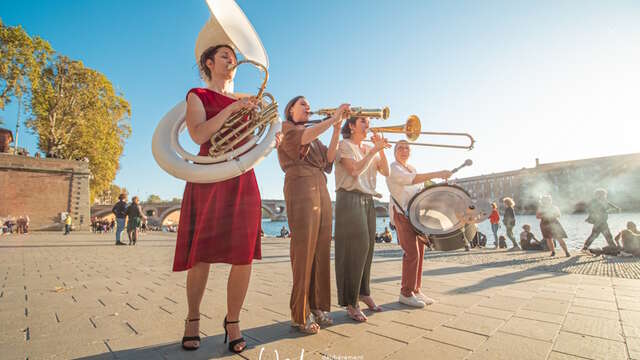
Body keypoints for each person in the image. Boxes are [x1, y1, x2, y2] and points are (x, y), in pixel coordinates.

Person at [171, 44, 282, 353]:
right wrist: (233, 109)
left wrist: (271, 134)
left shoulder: (249, 98)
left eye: (233, 56)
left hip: (242, 177)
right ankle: (192, 318)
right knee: (201, 253)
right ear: (209, 63)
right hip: (209, 176)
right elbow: (198, 135)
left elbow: (253, 137)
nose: (232, 59)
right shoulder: (198, 95)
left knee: (243, 255)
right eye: (224, 55)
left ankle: (232, 321)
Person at [277, 96, 347, 334]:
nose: (308, 107)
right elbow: (302, 139)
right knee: (304, 249)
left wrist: (336, 129)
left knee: (321, 248)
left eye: (308, 104)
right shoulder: (288, 128)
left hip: (320, 184)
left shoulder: (313, 134)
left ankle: (318, 306)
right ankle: (300, 313)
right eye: (303, 104)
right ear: (291, 110)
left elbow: (329, 160)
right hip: (300, 182)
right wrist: (333, 119)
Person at [335, 116, 390, 322]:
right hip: (349, 197)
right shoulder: (344, 145)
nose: (368, 126)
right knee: (355, 249)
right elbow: (354, 171)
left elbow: (386, 171)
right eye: (363, 122)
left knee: (368, 248)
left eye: (368, 122)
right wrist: (375, 150)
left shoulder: (368, 147)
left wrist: (380, 149)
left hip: (367, 199)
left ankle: (364, 291)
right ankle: (350, 302)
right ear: (351, 126)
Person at [386, 139, 452, 308]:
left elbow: (418, 190)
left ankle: (416, 289)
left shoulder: (412, 167)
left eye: (407, 148)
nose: (404, 150)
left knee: (420, 252)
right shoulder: (393, 167)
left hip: (415, 215)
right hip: (401, 214)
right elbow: (412, 180)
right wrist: (438, 173)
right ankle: (405, 293)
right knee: (412, 253)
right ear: (395, 152)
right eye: (400, 148)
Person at [582, 189, 620, 253]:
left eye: (605, 194)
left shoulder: (604, 201)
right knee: (600, 235)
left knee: (601, 236)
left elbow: (611, 206)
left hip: (602, 222)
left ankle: (584, 248)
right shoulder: (594, 202)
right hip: (599, 222)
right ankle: (614, 248)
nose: (605, 196)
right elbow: (591, 210)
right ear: (598, 195)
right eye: (603, 194)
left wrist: (616, 208)